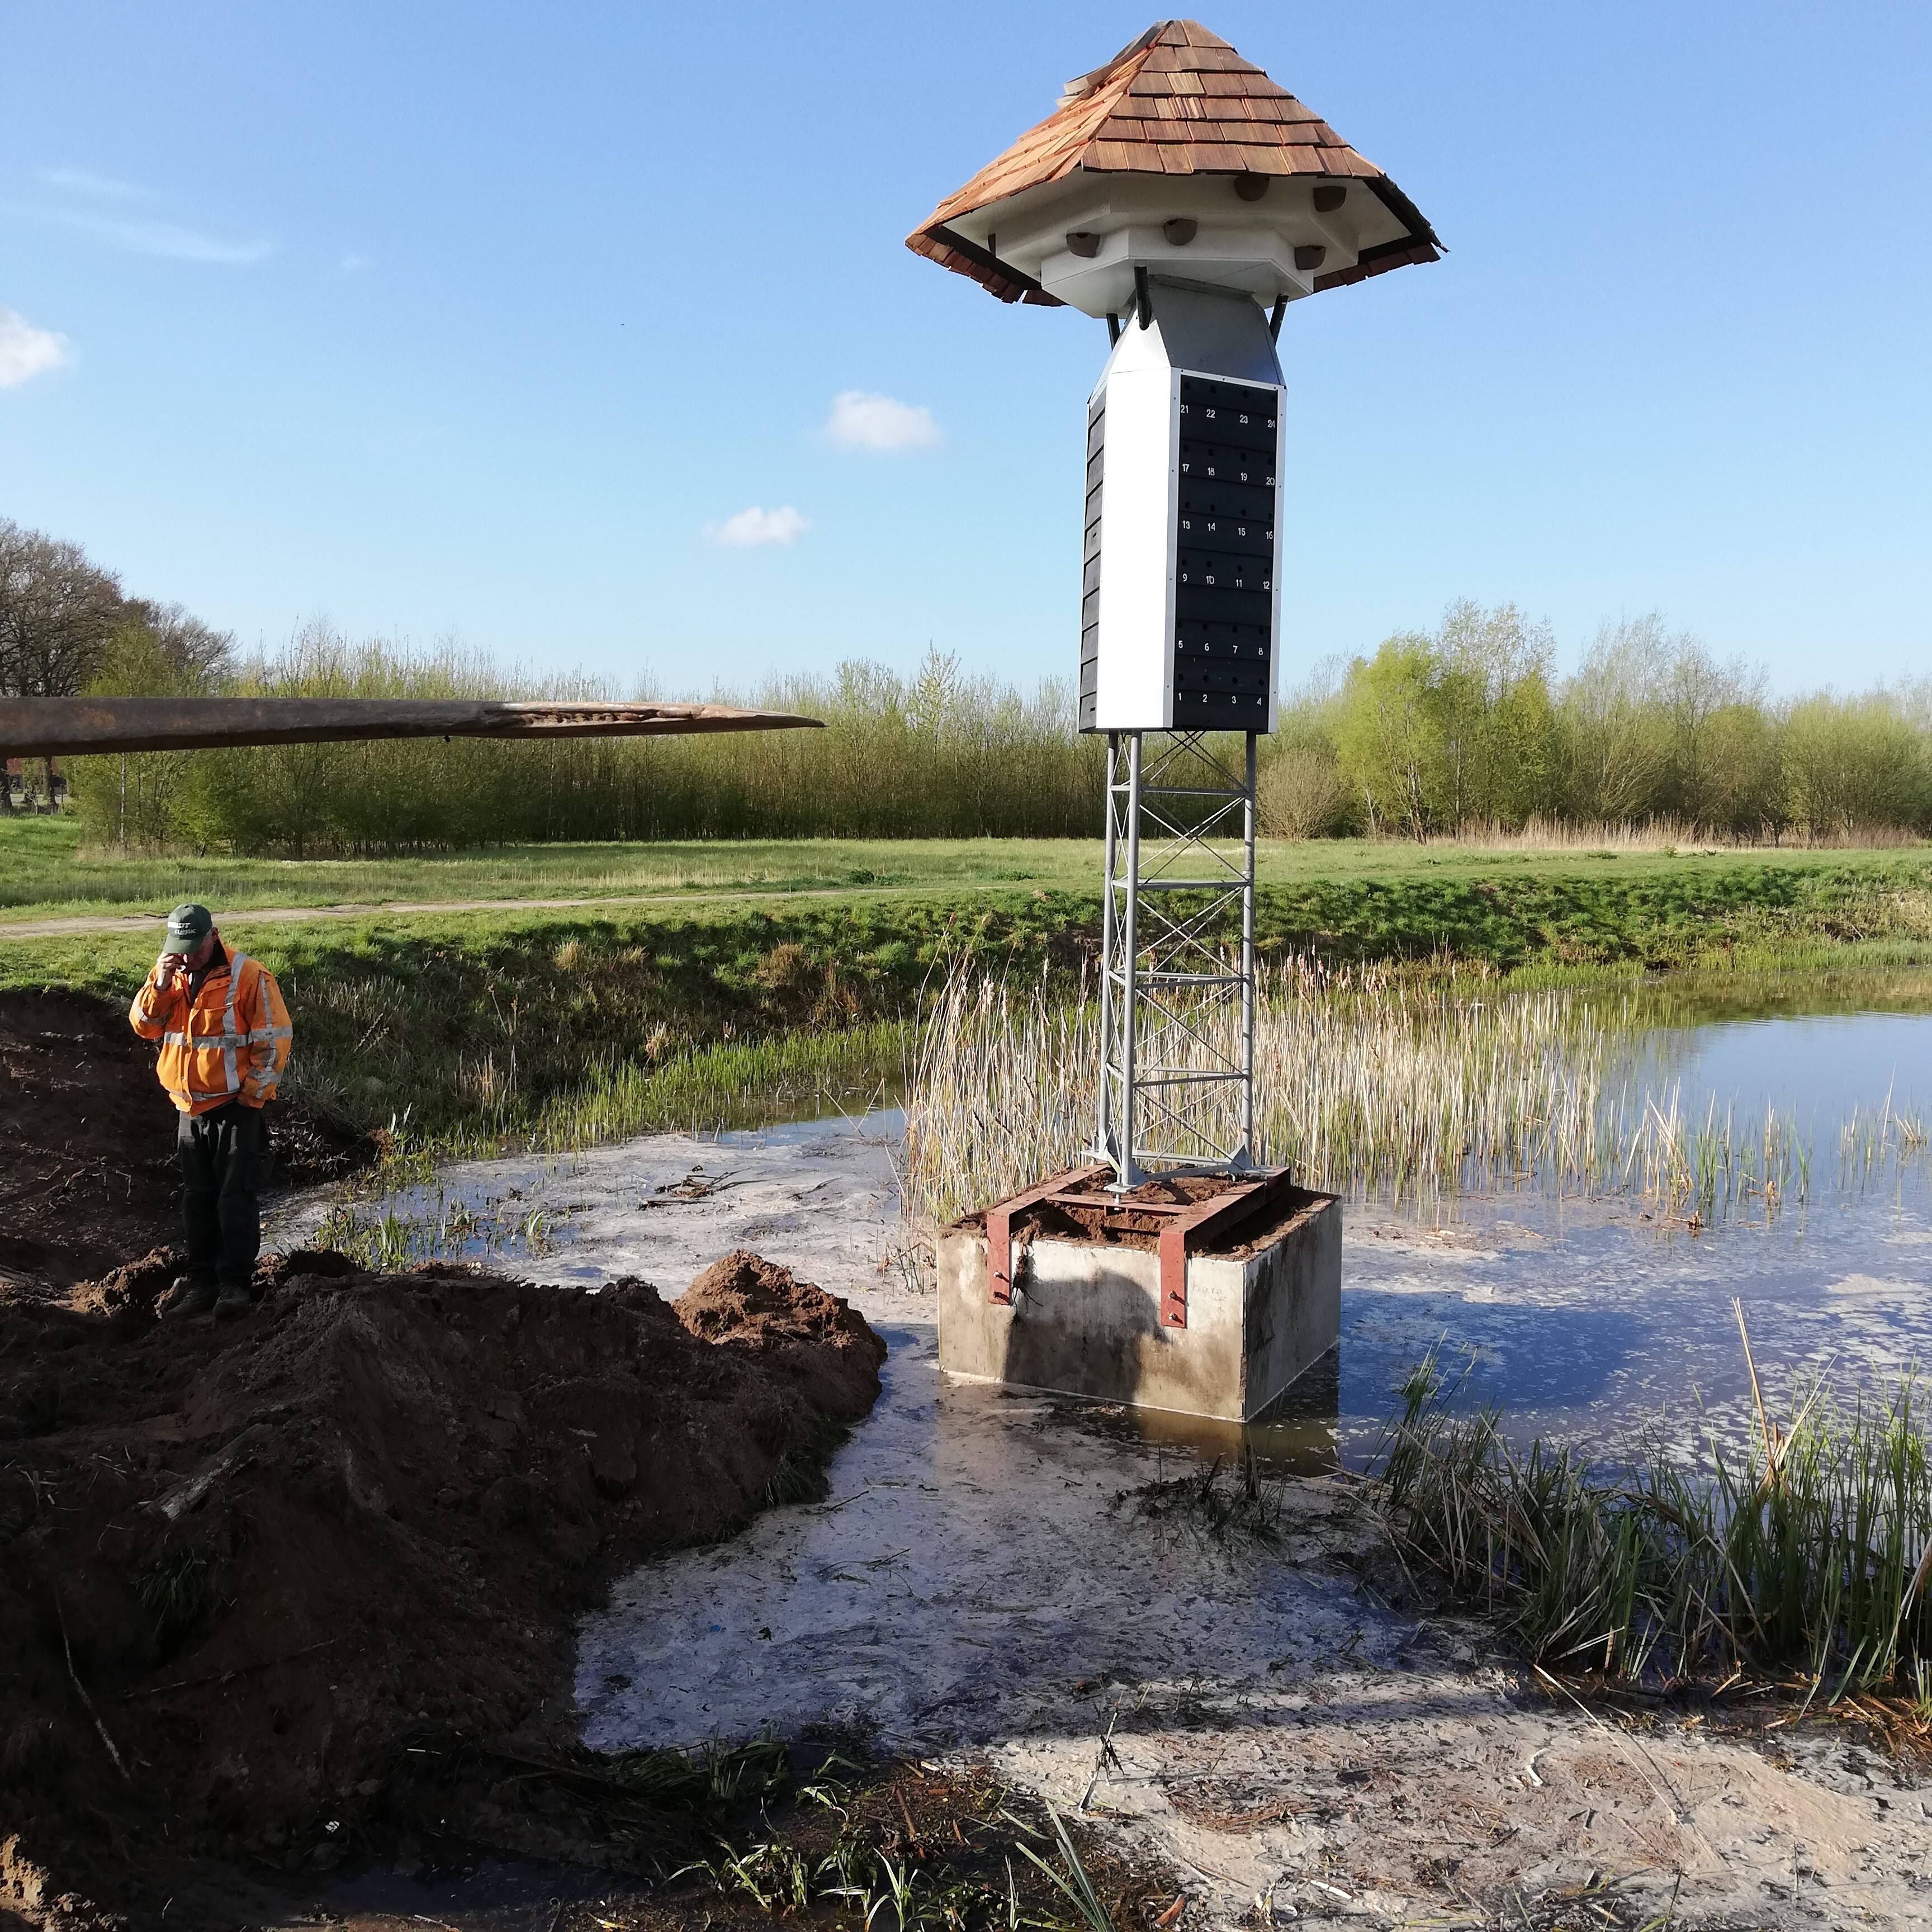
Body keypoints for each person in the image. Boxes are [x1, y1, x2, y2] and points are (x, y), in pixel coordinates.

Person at [129, 903, 293, 1320]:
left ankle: (235, 1285)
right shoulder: (168, 975)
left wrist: (252, 1097)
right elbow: (144, 1026)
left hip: (235, 1107)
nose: (186, 957)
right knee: (197, 1199)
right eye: (178, 948)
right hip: (189, 1108)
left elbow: (273, 1040)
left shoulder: (249, 975)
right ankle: (201, 1281)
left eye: (193, 948)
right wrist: (161, 986)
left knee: (235, 1198)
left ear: (213, 936)